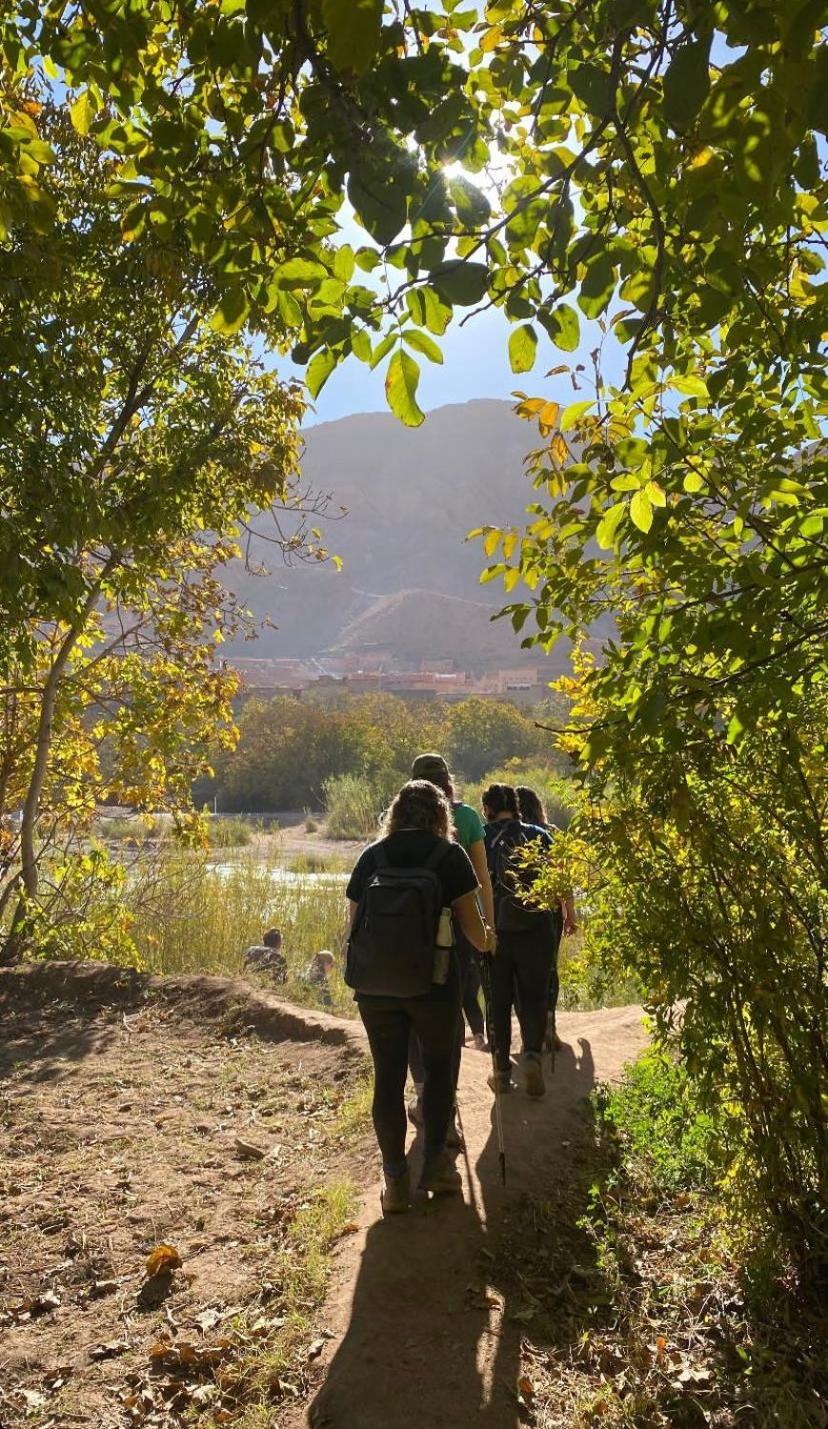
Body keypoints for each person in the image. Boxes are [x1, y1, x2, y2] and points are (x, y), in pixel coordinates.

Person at [346, 780, 494, 1213]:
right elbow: (472, 929)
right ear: (440, 815)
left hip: (375, 989)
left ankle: (394, 1181)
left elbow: (353, 926)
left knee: (388, 1078)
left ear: (395, 814)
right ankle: (435, 1168)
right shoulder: (450, 857)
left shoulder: (371, 857)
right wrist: (490, 942)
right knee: (438, 1072)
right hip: (435, 985)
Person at [407, 753, 494, 1141]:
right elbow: (482, 881)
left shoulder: (397, 821)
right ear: (448, 782)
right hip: (454, 936)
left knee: (410, 1018)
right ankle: (446, 1103)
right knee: (448, 1017)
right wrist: (488, 931)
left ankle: (424, 1095)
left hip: (406, 938)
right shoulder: (470, 819)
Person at [482, 783, 557, 1098]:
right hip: (536, 930)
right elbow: (556, 883)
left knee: (497, 1002)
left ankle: (501, 1071)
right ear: (516, 807)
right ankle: (531, 1056)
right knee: (534, 997)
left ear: (487, 809)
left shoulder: (481, 838)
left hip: (496, 933)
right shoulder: (540, 836)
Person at [515, 785, 577, 1052]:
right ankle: (549, 1024)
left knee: (518, 972)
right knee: (549, 968)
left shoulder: (509, 835)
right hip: (548, 912)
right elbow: (564, 879)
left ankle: (529, 1030)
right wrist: (569, 912)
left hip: (516, 911)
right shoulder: (550, 833)